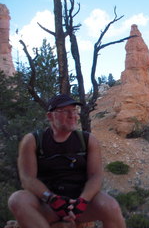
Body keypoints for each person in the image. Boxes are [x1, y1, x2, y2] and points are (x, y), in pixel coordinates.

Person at [7, 94, 126, 228]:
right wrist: (52, 199)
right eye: (65, 111)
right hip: (48, 204)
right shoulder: (33, 141)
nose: (72, 115)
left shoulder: (88, 140)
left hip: (78, 204)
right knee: (17, 199)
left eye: (74, 111)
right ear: (50, 116)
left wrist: (82, 201)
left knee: (111, 206)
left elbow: (95, 176)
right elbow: (28, 179)